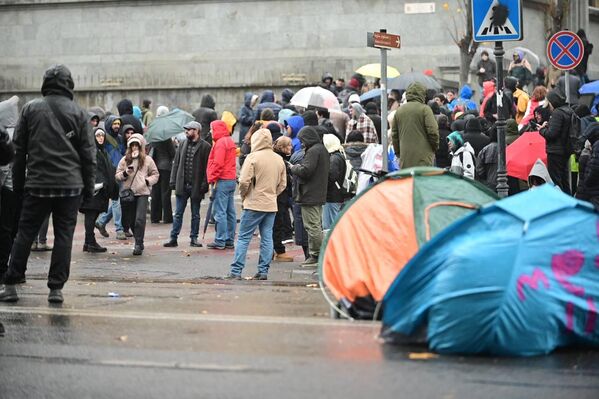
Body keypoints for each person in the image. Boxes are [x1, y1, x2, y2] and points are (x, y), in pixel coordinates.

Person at [0, 64, 96, 304]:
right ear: (69, 84)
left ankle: (11, 283)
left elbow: (18, 151)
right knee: (64, 236)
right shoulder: (79, 113)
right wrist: (88, 187)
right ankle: (56, 289)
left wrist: (19, 186)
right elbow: (88, 156)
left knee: (25, 233)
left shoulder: (30, 110)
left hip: (37, 184)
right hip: (70, 186)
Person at [226, 128, 287, 280]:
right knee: (267, 238)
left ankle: (236, 271)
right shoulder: (278, 159)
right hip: (271, 204)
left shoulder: (252, 157)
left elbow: (244, 181)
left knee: (243, 238)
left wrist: (244, 195)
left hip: (254, 203)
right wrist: (273, 194)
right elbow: (283, 184)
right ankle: (263, 271)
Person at [163, 121, 211, 248]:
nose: (186, 132)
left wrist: (204, 184)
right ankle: (173, 238)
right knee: (178, 213)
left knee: (195, 214)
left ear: (196, 131)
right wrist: (173, 180)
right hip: (182, 184)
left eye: (189, 130)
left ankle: (194, 238)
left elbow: (207, 168)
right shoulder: (182, 144)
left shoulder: (206, 147)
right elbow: (176, 164)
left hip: (196, 186)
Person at [290, 126, 330, 266]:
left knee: (312, 227)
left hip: (310, 194)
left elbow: (306, 170)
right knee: (315, 225)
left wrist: (293, 168)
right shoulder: (321, 149)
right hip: (317, 193)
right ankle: (316, 254)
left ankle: (317, 255)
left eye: (302, 140)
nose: (301, 143)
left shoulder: (313, 151)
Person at [115, 133, 159, 256]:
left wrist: (147, 181)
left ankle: (138, 243)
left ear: (141, 146)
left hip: (142, 192)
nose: (135, 148)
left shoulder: (148, 160)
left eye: (137, 145)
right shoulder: (125, 160)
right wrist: (125, 173)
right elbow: (117, 175)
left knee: (140, 219)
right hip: (129, 193)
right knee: (131, 220)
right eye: (132, 145)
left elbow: (155, 174)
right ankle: (139, 239)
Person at [80, 128, 117, 253]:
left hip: (100, 189)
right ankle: (90, 242)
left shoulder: (103, 151)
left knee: (93, 215)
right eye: (98, 135)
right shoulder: (92, 152)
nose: (101, 137)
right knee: (91, 215)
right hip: (94, 189)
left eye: (102, 135)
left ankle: (88, 242)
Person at [391, 82, 439, 169]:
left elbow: (394, 134)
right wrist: (434, 147)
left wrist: (398, 153)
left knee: (408, 181)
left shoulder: (399, 111)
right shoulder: (425, 109)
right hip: (424, 157)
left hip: (405, 157)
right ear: (422, 94)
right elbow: (433, 131)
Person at [206, 120, 237, 250]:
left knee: (220, 212)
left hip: (222, 180)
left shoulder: (220, 143)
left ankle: (220, 240)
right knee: (230, 212)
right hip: (231, 179)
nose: (211, 131)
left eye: (212, 129)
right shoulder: (229, 141)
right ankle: (229, 239)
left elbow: (218, 163)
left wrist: (211, 178)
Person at [95, 115, 126, 240]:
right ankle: (119, 229)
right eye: (114, 124)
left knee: (117, 200)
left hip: (121, 171)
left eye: (118, 123)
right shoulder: (105, 138)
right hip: (111, 172)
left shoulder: (119, 138)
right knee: (116, 201)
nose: (117, 126)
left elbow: (122, 152)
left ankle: (101, 221)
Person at [540, 90, 573, 194]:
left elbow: (552, 134)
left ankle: (560, 203)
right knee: (564, 180)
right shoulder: (568, 110)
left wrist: (541, 130)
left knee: (556, 181)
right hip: (565, 150)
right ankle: (568, 202)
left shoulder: (557, 113)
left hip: (555, 151)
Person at [272, 136, 294, 262]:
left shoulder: (281, 159)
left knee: (274, 224)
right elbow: (283, 181)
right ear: (282, 147)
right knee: (277, 223)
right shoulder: (281, 160)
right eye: (289, 145)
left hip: (279, 196)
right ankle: (279, 250)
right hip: (279, 196)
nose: (291, 147)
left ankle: (272, 250)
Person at [322, 134, 346, 230]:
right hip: (336, 194)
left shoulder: (334, 158)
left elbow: (331, 176)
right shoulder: (340, 155)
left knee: (329, 226)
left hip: (332, 196)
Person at [150, 137, 176, 224]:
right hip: (166, 168)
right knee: (165, 193)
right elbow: (173, 153)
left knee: (155, 192)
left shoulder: (154, 139)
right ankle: (167, 217)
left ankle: (155, 217)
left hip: (155, 167)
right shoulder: (167, 139)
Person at [476, 125, 498, 190]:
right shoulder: (507, 147)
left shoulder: (486, 149)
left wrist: (485, 177)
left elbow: (479, 169)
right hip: (507, 184)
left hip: (490, 183)